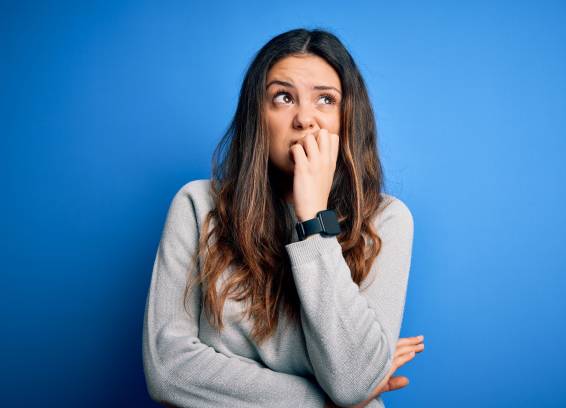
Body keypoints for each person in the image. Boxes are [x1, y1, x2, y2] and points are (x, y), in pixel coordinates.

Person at [142, 27, 425, 408]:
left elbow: (352, 380)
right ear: (258, 116)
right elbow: (170, 372)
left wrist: (313, 220)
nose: (305, 119)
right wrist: (326, 403)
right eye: (284, 97)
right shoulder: (197, 205)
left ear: (347, 118)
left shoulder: (387, 221)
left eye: (326, 99)